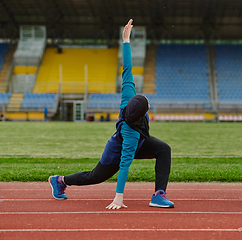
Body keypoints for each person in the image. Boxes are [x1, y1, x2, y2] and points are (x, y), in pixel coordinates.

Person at [48, 19, 174, 208]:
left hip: (140, 141)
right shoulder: (130, 134)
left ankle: (158, 194)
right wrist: (119, 197)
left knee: (164, 149)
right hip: (117, 151)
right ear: (142, 114)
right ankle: (59, 181)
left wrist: (126, 41)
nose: (145, 98)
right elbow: (124, 165)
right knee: (95, 177)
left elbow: (127, 68)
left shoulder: (128, 96)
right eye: (147, 102)